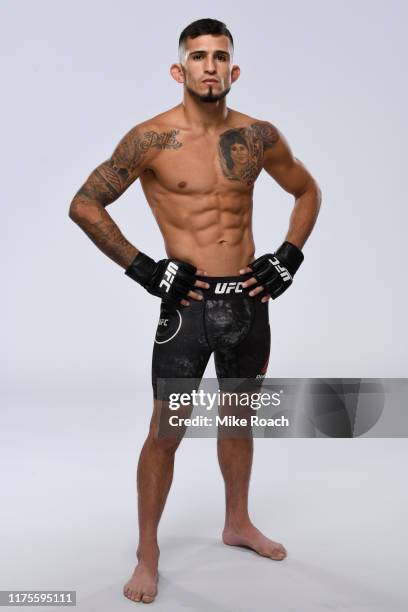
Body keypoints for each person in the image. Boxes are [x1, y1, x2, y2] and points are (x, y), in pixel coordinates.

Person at [69, 18, 321, 605]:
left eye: (220, 57)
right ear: (179, 69)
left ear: (233, 71)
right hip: (188, 307)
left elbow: (307, 190)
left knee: (238, 419)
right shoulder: (151, 139)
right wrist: (144, 269)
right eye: (198, 56)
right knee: (167, 430)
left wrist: (288, 256)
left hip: (248, 305)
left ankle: (237, 523)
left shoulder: (259, 136)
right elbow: (85, 204)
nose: (210, 66)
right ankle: (148, 552)